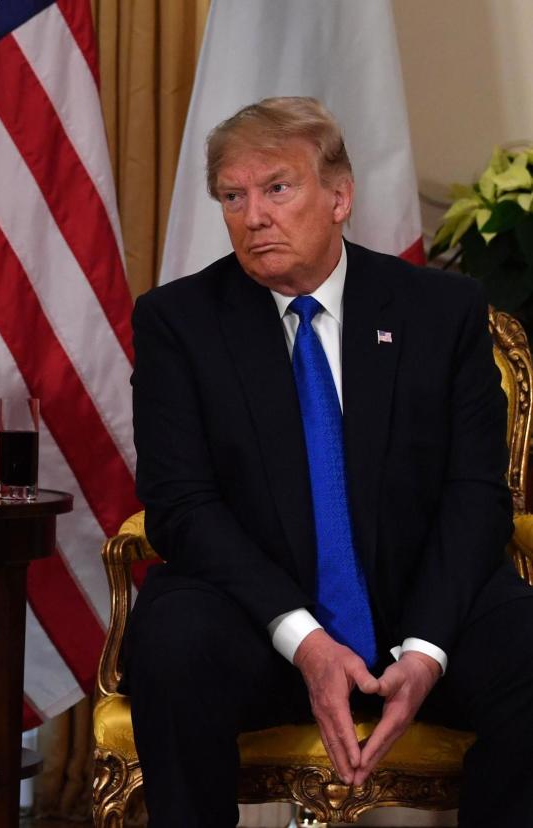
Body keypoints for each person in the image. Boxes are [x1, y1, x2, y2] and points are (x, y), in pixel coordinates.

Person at [125, 97, 533, 826]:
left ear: (339, 197)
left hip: (423, 608)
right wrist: (306, 641)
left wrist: (429, 647)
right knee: (169, 642)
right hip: (259, 624)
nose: (253, 215)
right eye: (233, 195)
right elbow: (181, 506)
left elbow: (476, 494)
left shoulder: (441, 311)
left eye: (277, 188)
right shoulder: (178, 323)